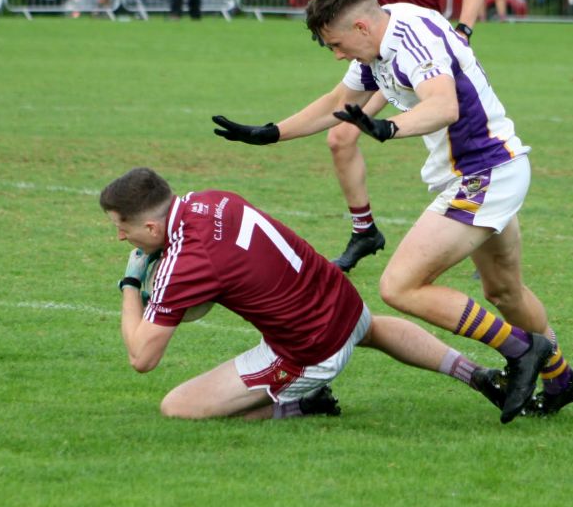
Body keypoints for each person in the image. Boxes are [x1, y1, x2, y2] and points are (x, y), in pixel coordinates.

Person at [210, 0, 573, 423]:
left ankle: (524, 349)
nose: (337, 54)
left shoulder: (412, 41)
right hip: (492, 170)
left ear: (362, 29)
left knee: (399, 286)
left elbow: (443, 105)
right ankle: (562, 378)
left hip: (484, 173)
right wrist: (272, 133)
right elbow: (339, 98)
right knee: (504, 290)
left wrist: (391, 127)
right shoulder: (379, 39)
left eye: (336, 44)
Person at [101, 167, 513, 420]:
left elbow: (143, 357)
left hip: (309, 352)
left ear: (152, 229)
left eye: (123, 227)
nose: (121, 236)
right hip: (341, 299)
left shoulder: (186, 262)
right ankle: (474, 374)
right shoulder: (211, 199)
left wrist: (131, 284)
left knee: (178, 407)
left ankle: (302, 404)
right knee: (372, 330)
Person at [326, 0, 485, 272]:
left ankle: (477, 228)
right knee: (341, 135)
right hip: (374, 50)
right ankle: (365, 232)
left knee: (451, 141)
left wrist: (464, 31)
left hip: (416, 53)